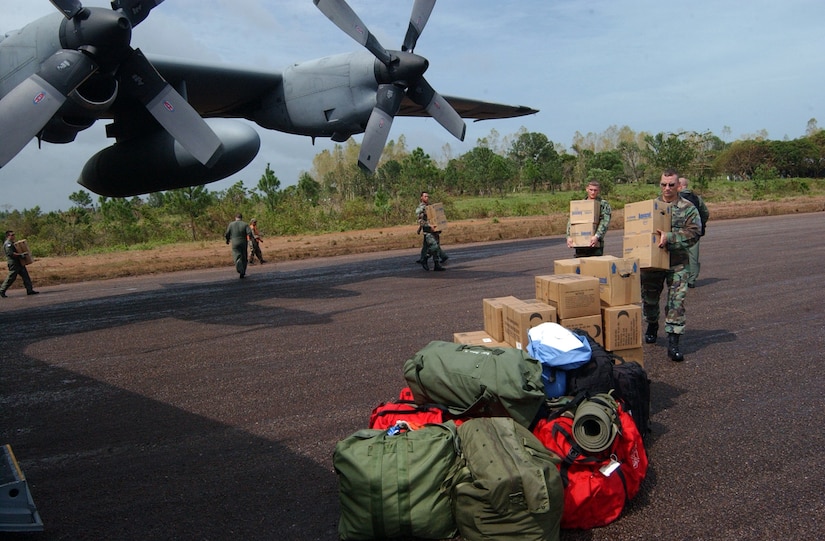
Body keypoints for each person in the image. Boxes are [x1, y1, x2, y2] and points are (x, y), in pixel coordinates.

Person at [641, 169, 701, 362]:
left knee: (676, 302)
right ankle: (651, 325)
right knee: (650, 299)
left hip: (678, 263)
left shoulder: (688, 207)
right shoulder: (650, 207)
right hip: (653, 263)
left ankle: (673, 343)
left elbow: (694, 233)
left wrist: (671, 237)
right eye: (663, 184)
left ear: (678, 186)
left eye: (671, 185)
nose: (667, 188)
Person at [566, 180, 612, 257]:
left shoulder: (603, 204)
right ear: (587, 189)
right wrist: (569, 236)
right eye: (591, 190)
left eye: (595, 190)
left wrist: (597, 236)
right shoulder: (581, 204)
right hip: (580, 243)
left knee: (594, 266)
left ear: (598, 191)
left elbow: (605, 221)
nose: (593, 192)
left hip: (595, 242)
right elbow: (572, 221)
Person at [678, 177, 710, 288]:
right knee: (693, 256)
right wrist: (701, 224)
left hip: (678, 231)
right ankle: (691, 280)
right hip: (694, 230)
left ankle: (679, 279)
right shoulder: (696, 198)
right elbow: (705, 212)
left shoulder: (674, 198)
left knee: (678, 255)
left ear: (679, 186)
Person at [414, 191, 448, 271]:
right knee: (434, 246)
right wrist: (429, 226)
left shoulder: (430, 207)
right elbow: (420, 221)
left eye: (427, 196)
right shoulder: (421, 208)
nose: (427, 198)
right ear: (421, 197)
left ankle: (436, 265)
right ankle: (425, 259)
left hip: (434, 231)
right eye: (425, 196)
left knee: (433, 247)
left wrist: (439, 226)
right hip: (428, 231)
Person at [0, 230, 38, 297]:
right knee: (11, 278)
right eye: (12, 235)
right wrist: (21, 255)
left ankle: (29, 290)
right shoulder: (8, 244)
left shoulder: (12, 243)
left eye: (14, 235)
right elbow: (11, 254)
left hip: (19, 262)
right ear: (8, 236)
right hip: (14, 263)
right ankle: (2, 290)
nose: (14, 236)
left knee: (26, 276)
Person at [225, 213, 253, 279]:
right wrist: (251, 240)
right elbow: (249, 233)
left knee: (237, 256)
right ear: (241, 218)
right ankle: (243, 271)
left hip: (235, 242)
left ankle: (239, 269)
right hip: (243, 242)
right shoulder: (245, 224)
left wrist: (227, 240)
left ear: (235, 217)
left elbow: (227, 233)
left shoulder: (231, 224)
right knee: (244, 256)